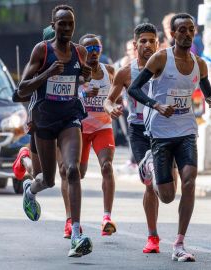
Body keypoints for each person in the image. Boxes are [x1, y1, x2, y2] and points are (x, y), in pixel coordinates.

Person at [127, 13, 211, 262]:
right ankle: (151, 168)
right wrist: (156, 105)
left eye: (191, 30)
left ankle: (179, 243)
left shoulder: (200, 63)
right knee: (167, 196)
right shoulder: (160, 58)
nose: (187, 34)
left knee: (190, 181)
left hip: (187, 131)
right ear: (172, 34)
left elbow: (206, 87)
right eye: (182, 30)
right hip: (160, 133)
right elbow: (134, 88)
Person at [17, 5, 93, 257]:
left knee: (72, 170)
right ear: (53, 24)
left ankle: (77, 233)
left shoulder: (79, 52)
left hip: (70, 117)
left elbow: (82, 80)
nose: (67, 28)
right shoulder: (42, 50)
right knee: (47, 179)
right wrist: (47, 73)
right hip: (45, 121)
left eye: (70, 23)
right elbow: (21, 90)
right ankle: (31, 189)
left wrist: (86, 75)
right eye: (62, 23)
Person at [104, 23, 162, 253]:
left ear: (158, 44)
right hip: (139, 130)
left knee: (167, 187)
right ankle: (153, 237)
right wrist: (111, 109)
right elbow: (109, 100)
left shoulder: (167, 67)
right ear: (135, 44)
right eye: (143, 41)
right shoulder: (126, 72)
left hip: (165, 130)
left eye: (151, 41)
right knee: (149, 183)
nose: (147, 45)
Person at [75, 34, 117, 235]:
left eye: (96, 49)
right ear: (82, 52)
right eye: (89, 50)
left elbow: (117, 95)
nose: (93, 54)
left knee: (107, 167)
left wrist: (116, 107)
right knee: (78, 173)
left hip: (102, 127)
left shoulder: (109, 71)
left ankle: (107, 218)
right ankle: (73, 220)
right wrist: (83, 94)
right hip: (80, 129)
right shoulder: (76, 72)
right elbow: (66, 96)